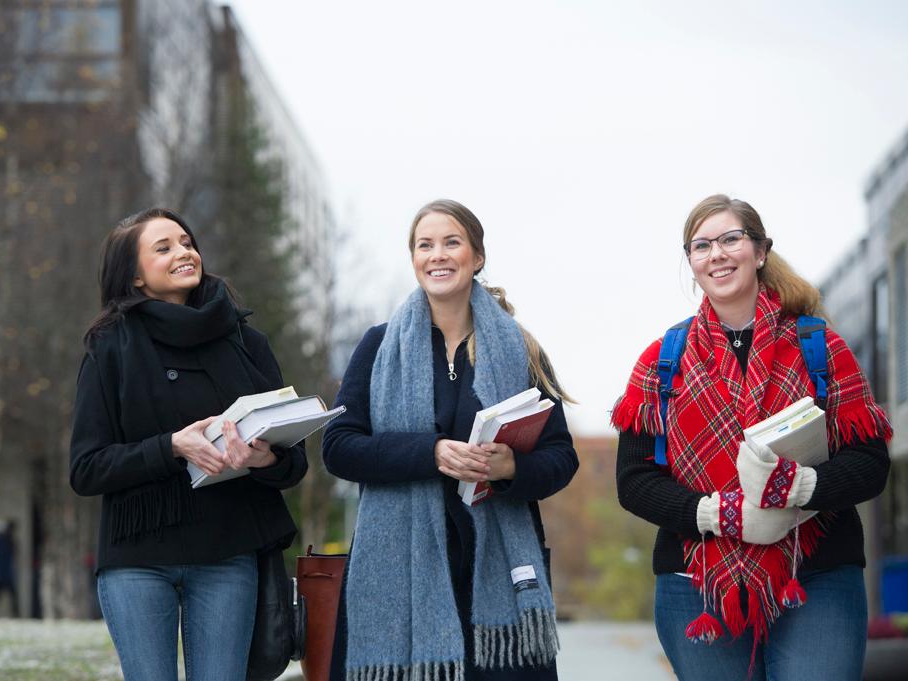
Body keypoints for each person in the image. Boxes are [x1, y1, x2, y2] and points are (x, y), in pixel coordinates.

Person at [612, 194, 892, 680]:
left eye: (730, 238)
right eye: (701, 245)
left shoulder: (820, 347)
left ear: (760, 251)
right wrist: (718, 513)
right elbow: (634, 481)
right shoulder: (663, 360)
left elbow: (870, 463)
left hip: (817, 575)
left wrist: (799, 489)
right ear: (692, 263)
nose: (716, 253)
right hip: (695, 583)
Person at [323, 199, 579, 681]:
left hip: (495, 570)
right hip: (399, 570)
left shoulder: (519, 347)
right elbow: (338, 447)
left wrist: (510, 470)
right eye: (425, 245)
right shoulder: (379, 346)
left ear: (476, 257)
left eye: (451, 242)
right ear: (414, 259)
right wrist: (430, 452)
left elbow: (561, 458)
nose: (437, 254)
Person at [69, 207, 307, 681]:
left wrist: (263, 458)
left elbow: (293, 465)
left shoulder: (247, 341)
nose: (184, 252)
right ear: (135, 277)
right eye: (164, 247)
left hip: (227, 554)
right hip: (138, 558)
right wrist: (172, 447)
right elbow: (87, 468)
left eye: (186, 241)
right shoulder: (109, 346)